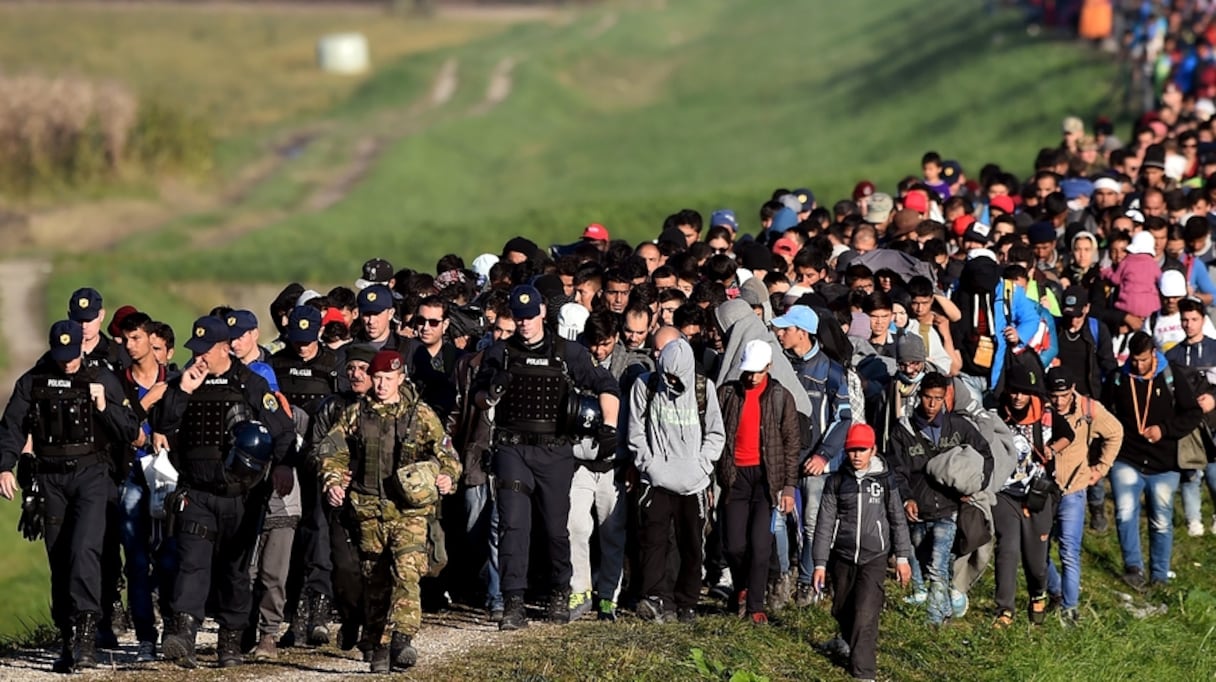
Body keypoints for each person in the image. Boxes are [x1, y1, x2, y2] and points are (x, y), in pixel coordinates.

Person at [152, 316, 296, 668]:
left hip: (240, 496)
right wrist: (182, 391)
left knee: (234, 571)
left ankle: (230, 642)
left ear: (223, 348)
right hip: (197, 493)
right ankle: (183, 636)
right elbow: (162, 425)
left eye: (204, 351)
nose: (198, 357)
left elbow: (283, 430)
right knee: (192, 565)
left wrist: (282, 465)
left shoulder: (250, 383)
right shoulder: (186, 382)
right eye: (195, 351)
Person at [473, 285, 620, 630]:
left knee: (556, 529)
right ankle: (512, 602)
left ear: (542, 313)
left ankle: (559, 590)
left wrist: (609, 427)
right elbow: (478, 398)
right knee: (514, 526)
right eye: (518, 318)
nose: (524, 324)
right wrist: (492, 392)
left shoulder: (568, 353)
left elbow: (607, 386)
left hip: (555, 451)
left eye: (529, 317)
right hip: (513, 448)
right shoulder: (499, 354)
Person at [0, 320, 140, 673]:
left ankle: (87, 633)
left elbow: (130, 428)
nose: (67, 363)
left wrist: (104, 405)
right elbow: (12, 426)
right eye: (60, 356)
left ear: (82, 346)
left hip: (91, 475)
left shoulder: (101, 376)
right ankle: (67, 634)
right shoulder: (33, 380)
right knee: (59, 556)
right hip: (50, 478)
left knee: (84, 550)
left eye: (72, 355)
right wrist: (5, 466)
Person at [316, 350, 461, 673]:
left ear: (400, 378)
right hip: (368, 511)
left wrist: (446, 476)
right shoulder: (356, 414)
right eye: (377, 378)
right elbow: (331, 450)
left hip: (409, 511)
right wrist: (333, 480)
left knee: (408, 571)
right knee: (375, 581)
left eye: (387, 379)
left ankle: (403, 638)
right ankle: (379, 646)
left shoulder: (420, 416)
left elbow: (447, 454)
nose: (380, 385)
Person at [629, 338, 726, 623]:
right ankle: (656, 598)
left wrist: (702, 467)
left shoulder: (702, 389)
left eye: (675, 376)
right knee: (654, 543)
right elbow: (635, 432)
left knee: (692, 546)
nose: (670, 381)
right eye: (666, 375)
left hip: (692, 484)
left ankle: (687, 603)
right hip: (656, 482)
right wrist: (650, 465)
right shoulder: (644, 386)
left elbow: (716, 434)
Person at [889, 371, 992, 625]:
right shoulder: (902, 431)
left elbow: (985, 455)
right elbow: (896, 472)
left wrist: (976, 487)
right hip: (919, 510)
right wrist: (906, 499)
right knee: (931, 564)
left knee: (937, 564)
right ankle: (945, 611)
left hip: (949, 509)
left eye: (937, 398)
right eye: (927, 397)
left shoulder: (959, 427)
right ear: (919, 396)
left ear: (945, 397)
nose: (932, 404)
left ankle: (933, 623)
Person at [811, 423, 912, 682]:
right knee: (842, 607)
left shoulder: (885, 480)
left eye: (862, 450)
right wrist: (820, 563)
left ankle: (863, 672)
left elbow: (897, 518)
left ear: (873, 450)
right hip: (842, 556)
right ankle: (844, 639)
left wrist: (902, 557)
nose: (857, 455)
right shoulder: (836, 481)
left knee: (866, 614)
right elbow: (824, 523)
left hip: (875, 558)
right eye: (852, 450)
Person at [269, 305, 344, 648]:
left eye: (307, 339)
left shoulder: (334, 364)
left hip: (321, 461)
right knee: (288, 534)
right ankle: (292, 611)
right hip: (286, 460)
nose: (301, 347)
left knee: (318, 532)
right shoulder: (276, 363)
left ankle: (319, 608)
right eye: (294, 340)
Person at [769, 305, 852, 607]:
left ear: (802, 333)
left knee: (813, 523)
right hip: (784, 462)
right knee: (777, 520)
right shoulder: (782, 366)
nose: (780, 334)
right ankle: (780, 576)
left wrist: (824, 456)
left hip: (819, 466)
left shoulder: (831, 371)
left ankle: (808, 583)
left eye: (786, 329)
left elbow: (843, 418)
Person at [1105, 332, 1203, 588]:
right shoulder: (1118, 378)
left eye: (1143, 360)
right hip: (1127, 458)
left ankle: (1159, 576)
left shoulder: (1170, 376)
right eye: (1134, 360)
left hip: (1164, 463)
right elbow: (1105, 414)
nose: (1138, 365)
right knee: (1125, 512)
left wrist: (1165, 430)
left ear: (1154, 354)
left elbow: (1192, 412)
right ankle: (1133, 568)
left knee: (1161, 519)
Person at [716, 339, 801, 624]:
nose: (752, 377)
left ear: (769, 367)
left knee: (761, 546)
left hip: (766, 479)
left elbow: (791, 444)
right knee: (734, 545)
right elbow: (716, 434)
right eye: (748, 370)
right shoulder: (728, 393)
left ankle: (755, 604)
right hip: (734, 475)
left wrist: (789, 486)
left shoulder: (780, 397)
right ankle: (742, 587)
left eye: (758, 371)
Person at [992, 357, 1074, 627]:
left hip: (1038, 494)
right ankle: (1004, 610)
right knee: (1008, 549)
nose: (1018, 397)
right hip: (1005, 493)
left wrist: (1052, 449)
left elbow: (1068, 435)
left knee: (1036, 558)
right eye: (1013, 391)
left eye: (1023, 392)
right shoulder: (995, 412)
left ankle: (1037, 595)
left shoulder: (1047, 413)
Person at [308, 344, 377, 653]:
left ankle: (374, 637)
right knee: (345, 570)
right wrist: (333, 476)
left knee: (377, 570)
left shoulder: (393, 408)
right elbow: (315, 451)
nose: (355, 374)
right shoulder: (332, 407)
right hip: (340, 500)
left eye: (363, 368)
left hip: (379, 502)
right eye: (351, 369)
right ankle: (350, 620)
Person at [1044, 368, 1123, 624]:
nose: (1058, 401)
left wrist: (1100, 469)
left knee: (1069, 551)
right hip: (1042, 491)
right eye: (1054, 395)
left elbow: (1115, 432)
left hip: (1074, 490)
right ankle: (1055, 591)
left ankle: (1070, 609)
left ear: (1073, 390)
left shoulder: (1089, 409)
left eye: (1064, 395)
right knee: (1037, 550)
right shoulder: (1039, 410)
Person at [1165, 297, 1216, 536]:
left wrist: (1214, 399)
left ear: (1203, 320)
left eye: (1194, 319)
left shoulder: (1215, 349)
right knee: (1189, 471)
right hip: (1188, 424)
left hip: (1213, 421)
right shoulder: (1173, 355)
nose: (1189, 324)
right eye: (1184, 319)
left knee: (1214, 472)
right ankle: (1193, 520)